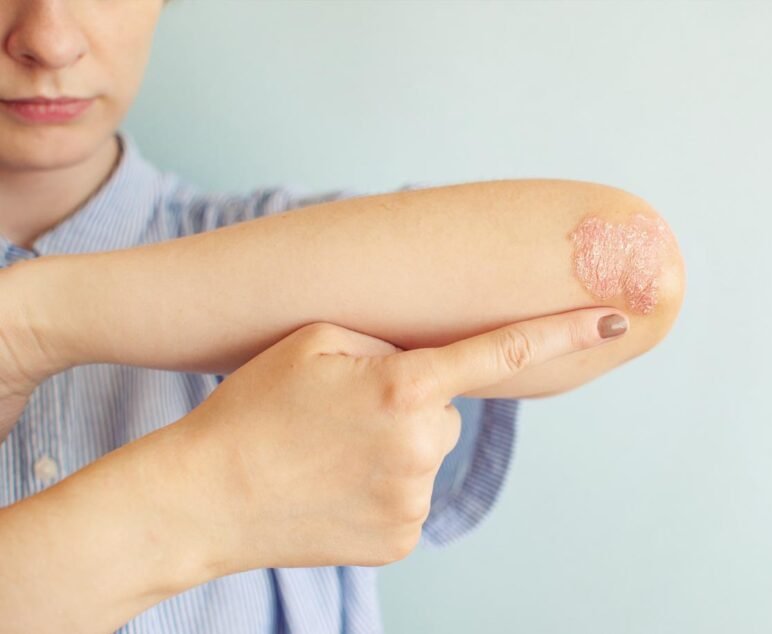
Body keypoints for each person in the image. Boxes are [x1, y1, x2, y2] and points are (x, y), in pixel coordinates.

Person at [0, 2, 685, 633]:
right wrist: (216, 494)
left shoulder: (302, 250)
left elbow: (639, 273)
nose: (47, 40)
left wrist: (31, 324)